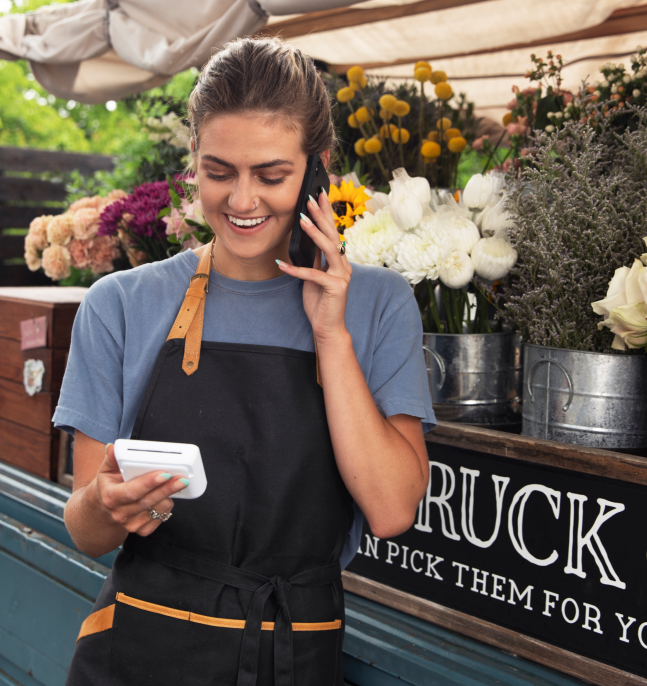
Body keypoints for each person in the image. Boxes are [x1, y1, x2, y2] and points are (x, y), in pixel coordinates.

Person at [55, 37, 434, 686]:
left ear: (318, 168)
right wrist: (108, 504)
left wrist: (332, 336)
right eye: (219, 171)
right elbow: (87, 530)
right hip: (138, 652)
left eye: (272, 175)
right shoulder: (120, 304)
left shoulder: (379, 306)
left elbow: (393, 508)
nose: (242, 200)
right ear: (193, 162)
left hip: (292, 655)